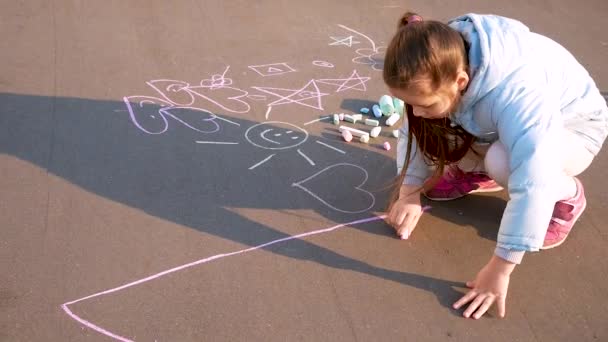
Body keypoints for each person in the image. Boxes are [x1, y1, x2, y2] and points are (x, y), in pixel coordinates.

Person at [383, 12, 608, 319]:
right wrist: (409, 191)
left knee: (504, 162)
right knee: (442, 128)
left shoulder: (517, 93)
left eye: (424, 104)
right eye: (411, 104)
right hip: (500, 120)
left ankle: (569, 196)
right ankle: (480, 170)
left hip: (576, 128)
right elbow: (416, 126)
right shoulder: (442, 59)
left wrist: (501, 268)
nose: (417, 113)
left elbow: (535, 175)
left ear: (461, 81)